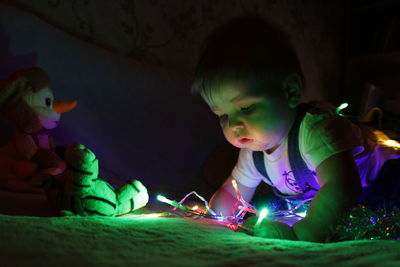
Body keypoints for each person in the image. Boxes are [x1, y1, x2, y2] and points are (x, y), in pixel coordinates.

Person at [191, 16, 400, 242]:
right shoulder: (252, 153)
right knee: (266, 208)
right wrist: (213, 220)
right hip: (316, 198)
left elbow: (342, 186)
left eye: (247, 107)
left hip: (382, 179)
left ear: (290, 92)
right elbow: (232, 192)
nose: (233, 125)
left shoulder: (315, 129)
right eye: (222, 115)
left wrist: (307, 232)